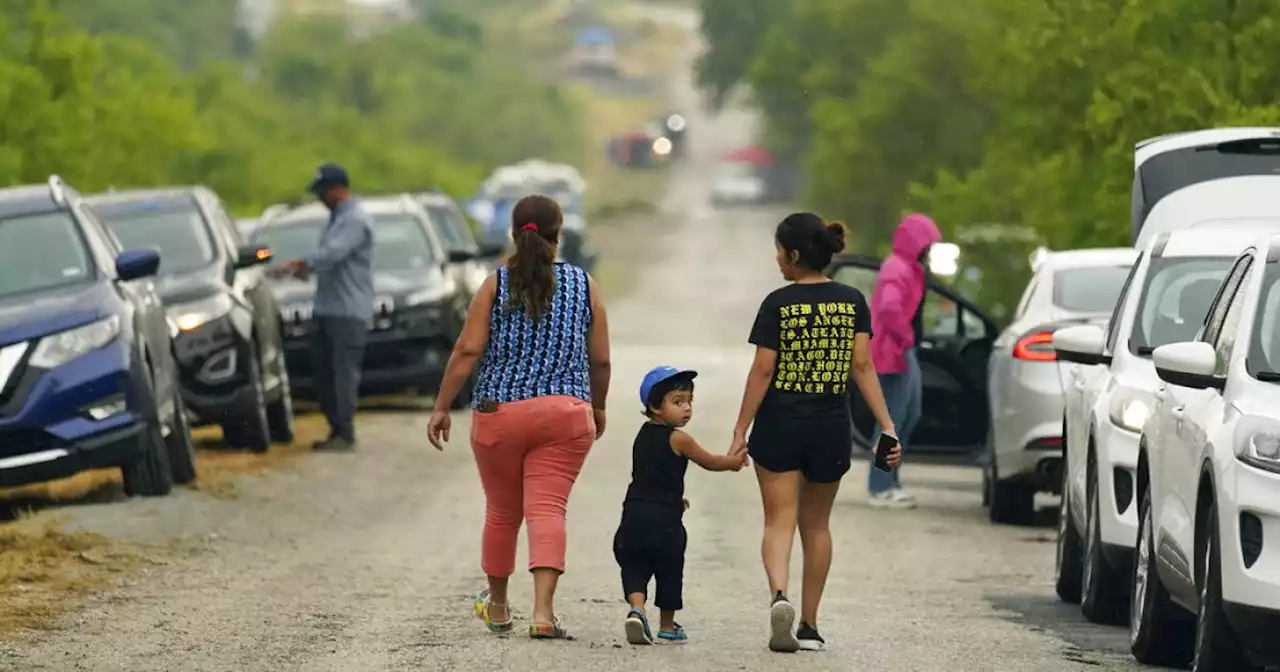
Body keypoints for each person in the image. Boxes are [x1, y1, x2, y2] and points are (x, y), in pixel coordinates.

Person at [426, 194, 610, 641]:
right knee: (548, 509)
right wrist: (598, 405)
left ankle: (500, 607)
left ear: (513, 233)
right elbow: (600, 359)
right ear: (558, 233)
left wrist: (442, 405)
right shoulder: (583, 284)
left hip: (498, 412)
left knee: (503, 511)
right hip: (565, 412)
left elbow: (468, 349)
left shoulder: (494, 284)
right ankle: (543, 614)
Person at [728, 212, 901, 653]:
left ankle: (779, 597)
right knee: (817, 526)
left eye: (779, 251)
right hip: (830, 425)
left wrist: (740, 428)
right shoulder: (852, 300)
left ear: (795, 254)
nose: (777, 259)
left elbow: (763, 370)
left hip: (780, 424)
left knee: (778, 521)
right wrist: (887, 426)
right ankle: (809, 624)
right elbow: (861, 366)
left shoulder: (778, 303)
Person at [614, 366, 746, 646]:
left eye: (689, 401)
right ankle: (667, 624)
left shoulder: (642, 434)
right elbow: (710, 461)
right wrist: (733, 462)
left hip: (634, 517)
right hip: (665, 525)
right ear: (654, 406)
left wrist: (676, 498)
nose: (686, 408)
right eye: (677, 401)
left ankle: (637, 610)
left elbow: (651, 475)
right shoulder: (679, 438)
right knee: (669, 568)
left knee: (635, 565)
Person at [274, 163, 374, 452]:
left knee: (342, 374)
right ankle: (336, 429)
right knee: (325, 373)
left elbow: (334, 253)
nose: (319, 197)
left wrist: (302, 263)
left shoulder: (354, 219)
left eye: (322, 191)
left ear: (338, 189)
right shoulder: (337, 219)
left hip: (348, 311)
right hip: (328, 308)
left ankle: (344, 432)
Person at [866, 212, 941, 508]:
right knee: (892, 421)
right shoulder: (897, 269)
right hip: (891, 353)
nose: (930, 250)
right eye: (928, 244)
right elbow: (889, 308)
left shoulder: (910, 269)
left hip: (901, 351)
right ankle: (880, 486)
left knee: (909, 415)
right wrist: (905, 337)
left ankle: (891, 481)